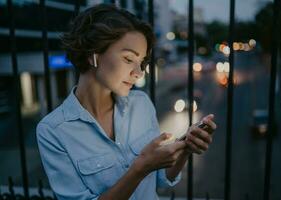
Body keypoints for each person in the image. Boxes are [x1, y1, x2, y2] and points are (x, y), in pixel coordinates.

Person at [36, 4, 217, 200]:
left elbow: (162, 179)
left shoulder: (141, 103)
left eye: (141, 63)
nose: (139, 73)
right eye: (128, 59)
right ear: (93, 54)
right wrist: (140, 168)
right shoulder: (53, 131)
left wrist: (185, 149)